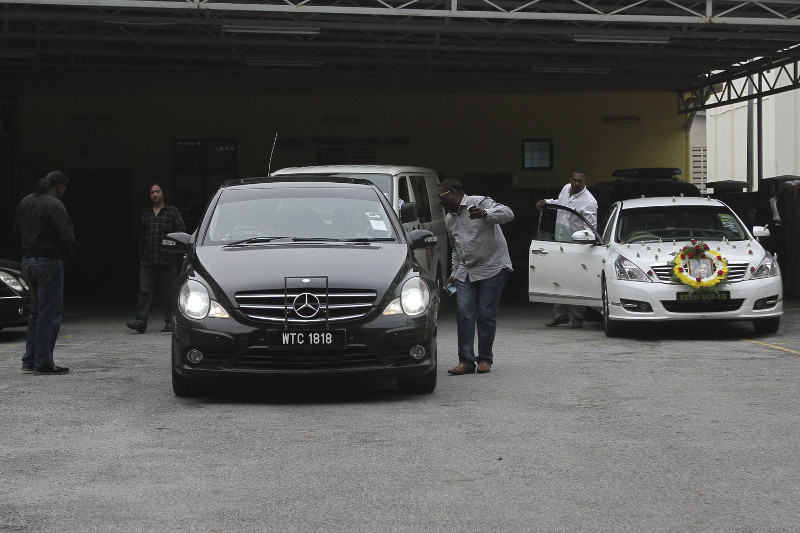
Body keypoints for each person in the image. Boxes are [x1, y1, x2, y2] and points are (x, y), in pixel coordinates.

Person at [437, 179, 514, 375]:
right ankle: (466, 361)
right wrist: (454, 273)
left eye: (441, 196)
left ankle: (485, 359)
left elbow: (508, 214)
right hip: (466, 270)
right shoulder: (449, 218)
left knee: (486, 314)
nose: (439, 201)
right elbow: (456, 249)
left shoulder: (479, 202)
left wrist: (485, 214)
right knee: (464, 313)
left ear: (452, 193)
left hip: (492, 266)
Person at [14, 171, 78, 375]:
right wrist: (68, 252)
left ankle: (30, 360)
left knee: (35, 312)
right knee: (49, 314)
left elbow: (16, 229)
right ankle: (44, 362)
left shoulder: (25, 202)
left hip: (28, 260)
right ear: (59, 187)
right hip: (49, 261)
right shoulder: (54, 205)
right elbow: (66, 235)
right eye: (64, 188)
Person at [535, 169, 598, 329]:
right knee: (558, 278)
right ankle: (560, 316)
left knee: (575, 280)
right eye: (574, 180)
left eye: (580, 181)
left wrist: (583, 240)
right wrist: (547, 202)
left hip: (576, 245)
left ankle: (578, 317)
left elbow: (590, 229)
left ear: (585, 182)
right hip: (559, 242)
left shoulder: (589, 201)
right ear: (570, 179)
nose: (576, 183)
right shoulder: (565, 189)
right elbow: (560, 203)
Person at [127, 183, 186, 334]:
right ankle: (141, 321)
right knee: (145, 290)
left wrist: (174, 250)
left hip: (168, 259)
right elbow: (142, 236)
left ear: (163, 194)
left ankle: (170, 322)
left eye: (157, 191)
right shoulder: (146, 214)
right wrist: (141, 253)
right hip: (148, 259)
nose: (154, 194)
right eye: (152, 192)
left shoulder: (172, 211)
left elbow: (181, 231)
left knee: (169, 292)